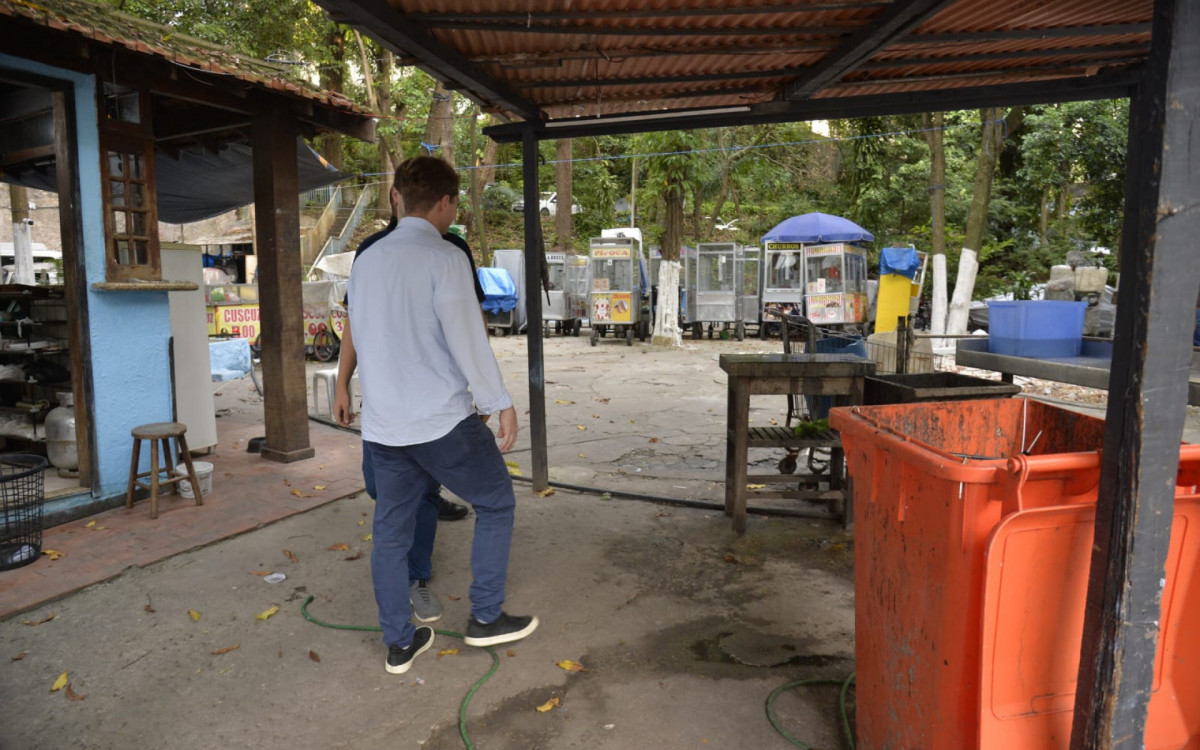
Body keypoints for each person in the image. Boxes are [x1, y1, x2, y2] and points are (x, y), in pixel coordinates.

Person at [346, 156, 537, 675]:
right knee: (496, 501)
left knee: (390, 534)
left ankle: (399, 644)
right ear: (446, 202)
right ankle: (486, 616)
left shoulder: (366, 260)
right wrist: (500, 404)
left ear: (399, 197)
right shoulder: (446, 257)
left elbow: (359, 334)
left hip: (384, 426)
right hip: (441, 422)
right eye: (455, 204)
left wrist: (347, 387)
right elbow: (469, 340)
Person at [333, 175, 482, 626]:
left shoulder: (451, 250)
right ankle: (401, 588)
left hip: (436, 407)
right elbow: (355, 321)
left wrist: (482, 391)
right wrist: (342, 382)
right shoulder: (370, 252)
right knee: (381, 489)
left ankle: (416, 577)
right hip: (384, 406)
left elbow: (471, 327)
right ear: (394, 196)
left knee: (420, 493)